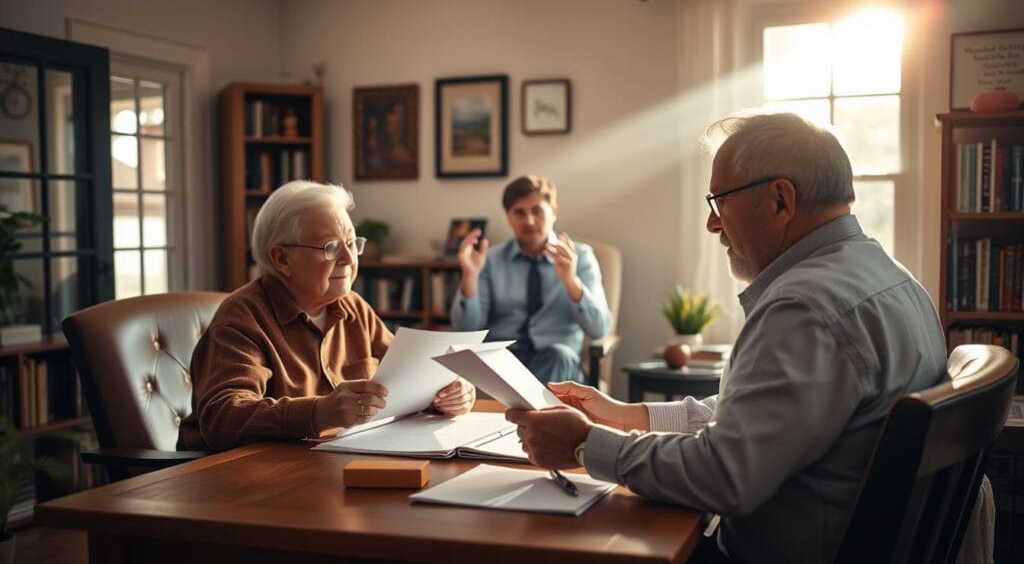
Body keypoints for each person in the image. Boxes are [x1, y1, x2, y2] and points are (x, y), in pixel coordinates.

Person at [506, 113, 947, 563]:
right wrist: (626, 415)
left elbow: (724, 475)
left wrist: (584, 445)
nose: (711, 225)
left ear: (780, 199)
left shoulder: (804, 308)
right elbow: (760, 416)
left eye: (719, 202)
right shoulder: (893, 279)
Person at [179, 180, 475, 451]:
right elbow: (223, 417)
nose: (348, 259)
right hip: (249, 482)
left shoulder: (353, 307)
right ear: (282, 259)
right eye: (331, 247)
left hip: (334, 464)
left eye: (351, 243)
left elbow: (412, 376)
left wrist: (449, 393)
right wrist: (319, 412)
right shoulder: (242, 318)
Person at [449, 175, 612, 384]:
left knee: (559, 356)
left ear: (553, 211)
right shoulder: (489, 260)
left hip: (557, 362)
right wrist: (469, 277)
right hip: (504, 360)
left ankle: (520, 409)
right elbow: (466, 331)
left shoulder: (580, 257)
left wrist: (571, 282)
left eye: (537, 211)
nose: (529, 221)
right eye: (519, 212)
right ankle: (521, 408)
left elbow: (599, 329)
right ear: (508, 217)